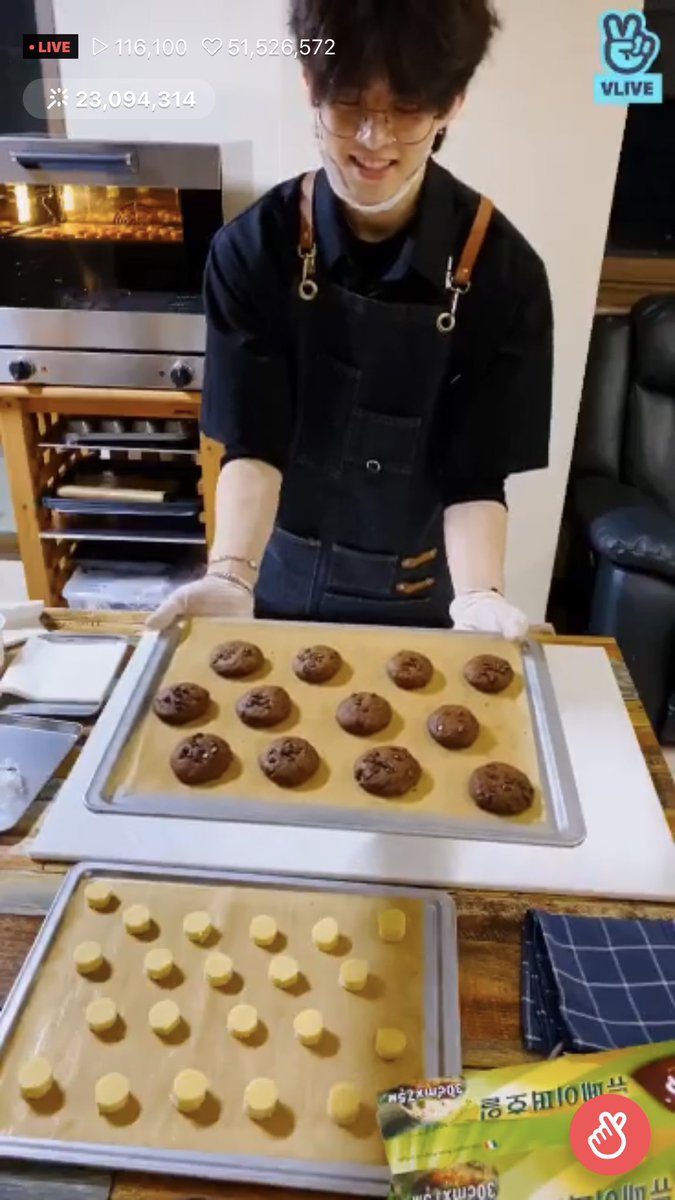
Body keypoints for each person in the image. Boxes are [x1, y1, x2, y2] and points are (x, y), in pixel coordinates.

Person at [149, 0, 553, 637]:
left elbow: (476, 471)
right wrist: (229, 574)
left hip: (419, 592)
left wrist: (479, 596)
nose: (374, 139)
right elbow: (253, 440)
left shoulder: (506, 272)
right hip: (271, 583)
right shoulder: (252, 251)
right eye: (350, 104)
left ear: (452, 104)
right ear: (311, 85)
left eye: (408, 109)